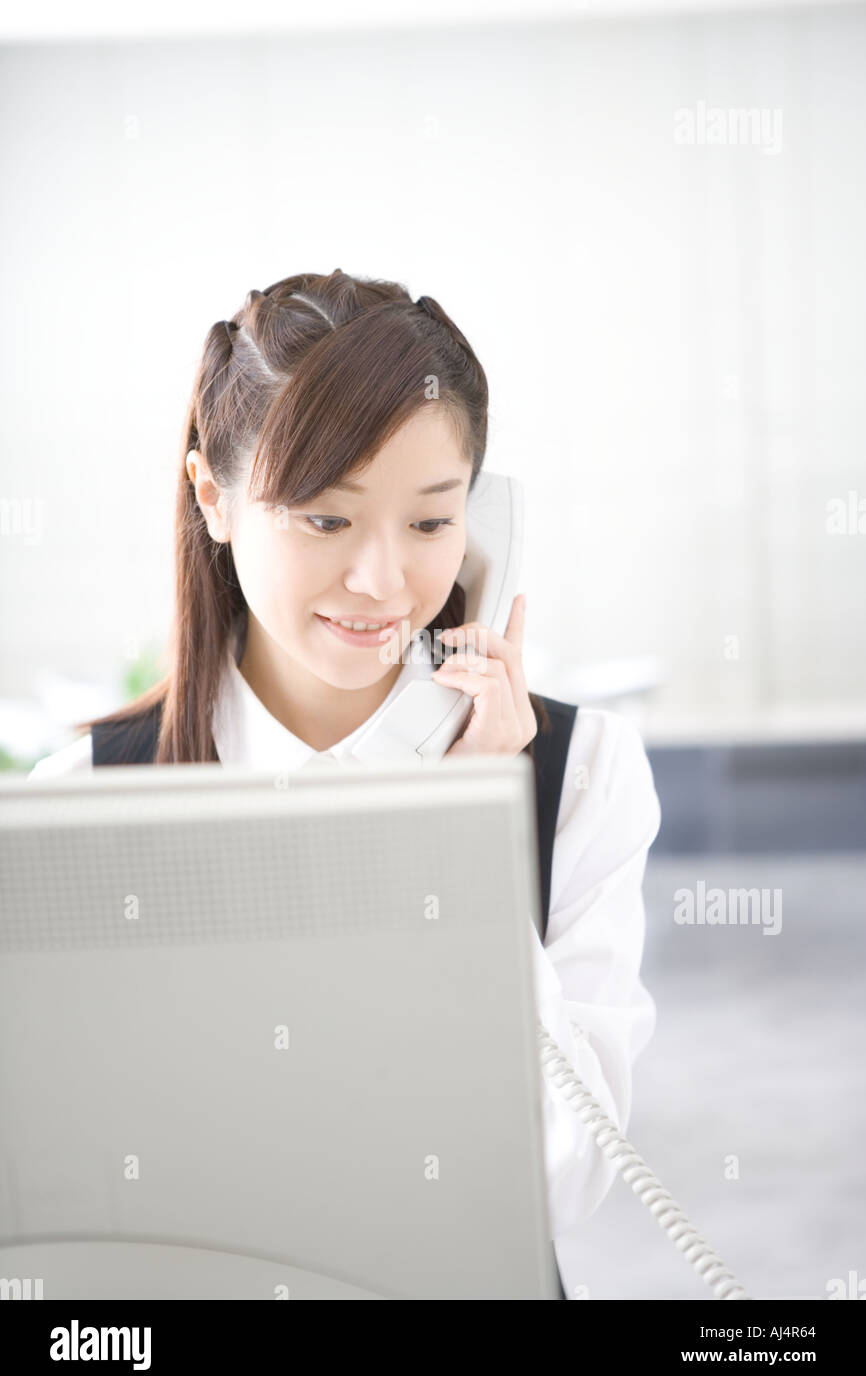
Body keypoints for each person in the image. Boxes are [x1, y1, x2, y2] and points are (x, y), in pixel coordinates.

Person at [29, 269, 661, 1300]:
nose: (383, 582)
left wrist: (461, 842)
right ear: (212, 498)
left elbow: (557, 1177)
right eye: (325, 520)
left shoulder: (578, 776)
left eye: (428, 523)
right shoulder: (80, 804)